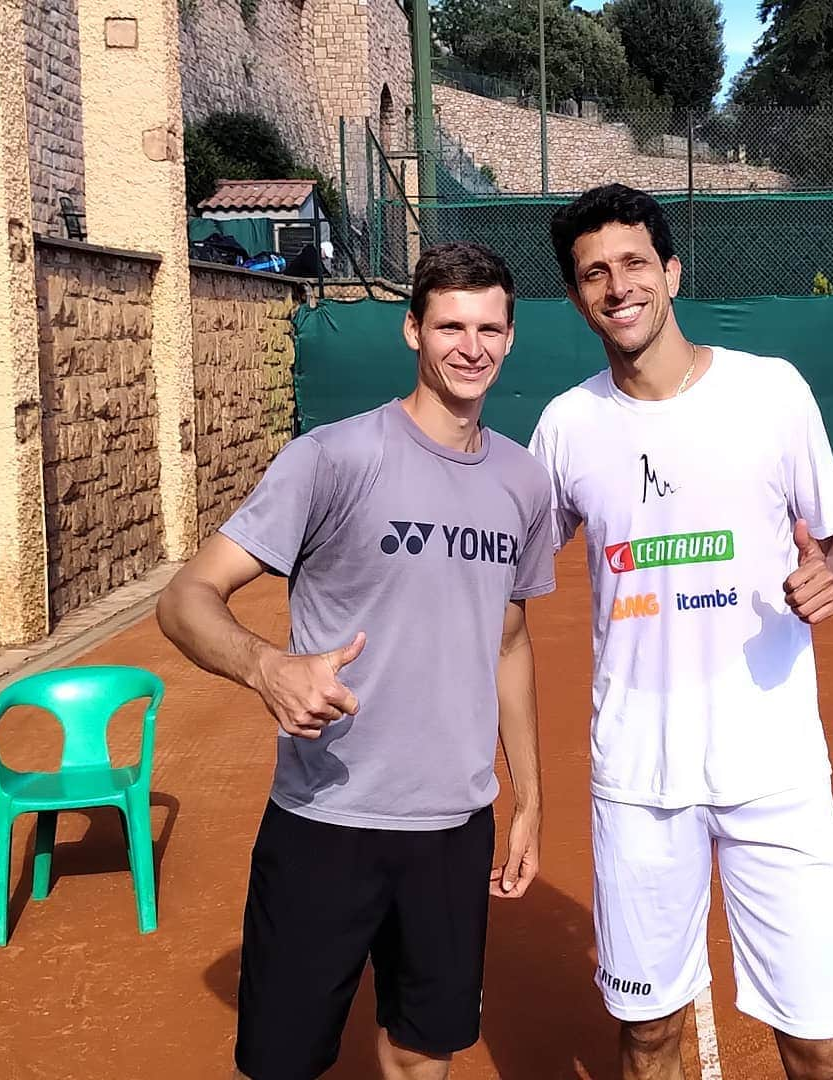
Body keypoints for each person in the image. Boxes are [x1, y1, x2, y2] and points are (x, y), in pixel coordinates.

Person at [157, 241, 555, 1080]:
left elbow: (511, 642)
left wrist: (528, 800)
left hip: (453, 826)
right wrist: (268, 668)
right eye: (450, 324)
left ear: (512, 337)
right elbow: (185, 598)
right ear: (413, 329)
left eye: (489, 327)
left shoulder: (523, 483)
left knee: (422, 1053)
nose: (470, 346)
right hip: (325, 822)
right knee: (282, 1062)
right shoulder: (332, 458)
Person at [528, 184, 833, 1080]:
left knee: (820, 1040)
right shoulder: (566, 426)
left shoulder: (771, 391)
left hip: (777, 773)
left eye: (635, 263)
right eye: (593, 273)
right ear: (576, 298)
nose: (618, 286)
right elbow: (504, 564)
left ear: (672, 273)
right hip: (639, 780)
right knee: (648, 1036)